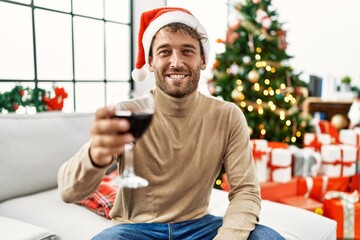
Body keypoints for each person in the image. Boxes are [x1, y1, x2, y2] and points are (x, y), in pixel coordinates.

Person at [58, 7, 285, 240]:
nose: (176, 63)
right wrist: (96, 155)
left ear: (203, 59)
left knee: (267, 237)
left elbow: (246, 191)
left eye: (187, 51)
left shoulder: (227, 116)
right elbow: (68, 191)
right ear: (150, 62)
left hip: (198, 226)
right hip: (135, 229)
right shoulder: (127, 113)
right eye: (165, 52)